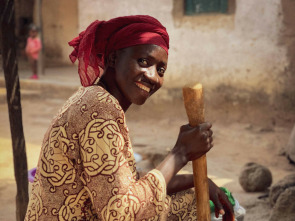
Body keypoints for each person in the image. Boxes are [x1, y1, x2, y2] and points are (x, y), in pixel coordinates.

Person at [25, 15, 234, 221]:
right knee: (188, 207)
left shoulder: (95, 98)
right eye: (143, 61)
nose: (153, 76)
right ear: (114, 58)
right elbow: (119, 213)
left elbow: (128, 182)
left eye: (161, 70)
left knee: (190, 198)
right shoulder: (98, 107)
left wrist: (199, 181)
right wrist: (180, 153)